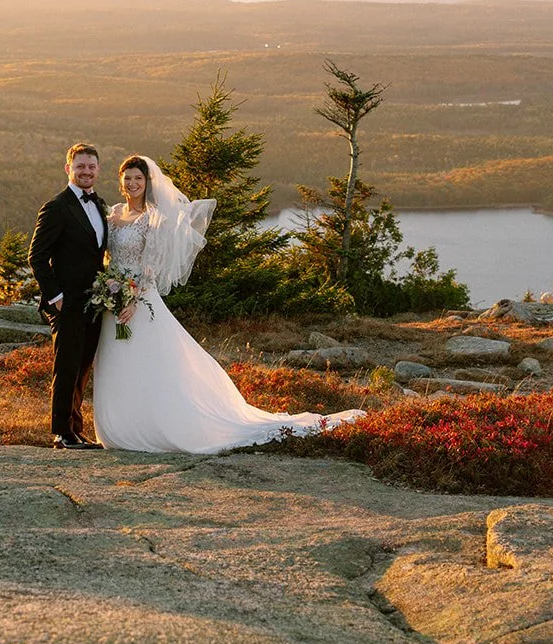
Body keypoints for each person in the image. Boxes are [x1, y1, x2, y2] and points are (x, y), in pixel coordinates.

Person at [92, 154, 365, 454]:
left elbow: (150, 266)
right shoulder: (112, 214)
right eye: (127, 178)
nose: (132, 183)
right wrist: (109, 291)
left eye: (138, 179)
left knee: (147, 363)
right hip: (112, 299)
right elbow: (105, 257)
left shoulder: (154, 218)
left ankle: (153, 425)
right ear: (120, 181)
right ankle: (120, 425)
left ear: (147, 183)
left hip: (139, 302)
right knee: (117, 363)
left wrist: (133, 299)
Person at [28, 143, 108, 450]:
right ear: (68, 169)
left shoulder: (99, 204)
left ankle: (76, 430)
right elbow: (36, 257)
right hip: (68, 304)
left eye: (91, 166)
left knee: (82, 367)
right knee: (66, 368)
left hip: (95, 302)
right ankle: (61, 433)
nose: (86, 171)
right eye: (80, 166)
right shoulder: (57, 207)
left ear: (98, 170)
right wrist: (57, 298)